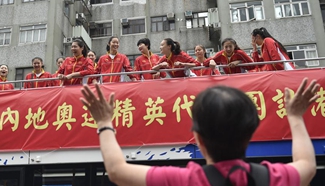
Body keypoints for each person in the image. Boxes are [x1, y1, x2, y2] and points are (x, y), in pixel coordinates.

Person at [80, 78, 318, 186]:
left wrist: (103, 121)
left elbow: (116, 171)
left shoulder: (186, 180)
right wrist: (295, 116)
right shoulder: (275, 178)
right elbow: (307, 164)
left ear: (198, 139)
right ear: (249, 134)